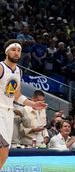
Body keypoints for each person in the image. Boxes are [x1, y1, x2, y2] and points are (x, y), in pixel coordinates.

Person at [0, 40, 48, 168]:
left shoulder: (18, 71)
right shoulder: (1, 67)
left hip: (8, 113)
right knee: (2, 147)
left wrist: (33, 104)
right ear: (6, 52)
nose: (16, 53)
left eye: (18, 50)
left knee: (5, 152)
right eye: (13, 50)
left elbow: (17, 96)